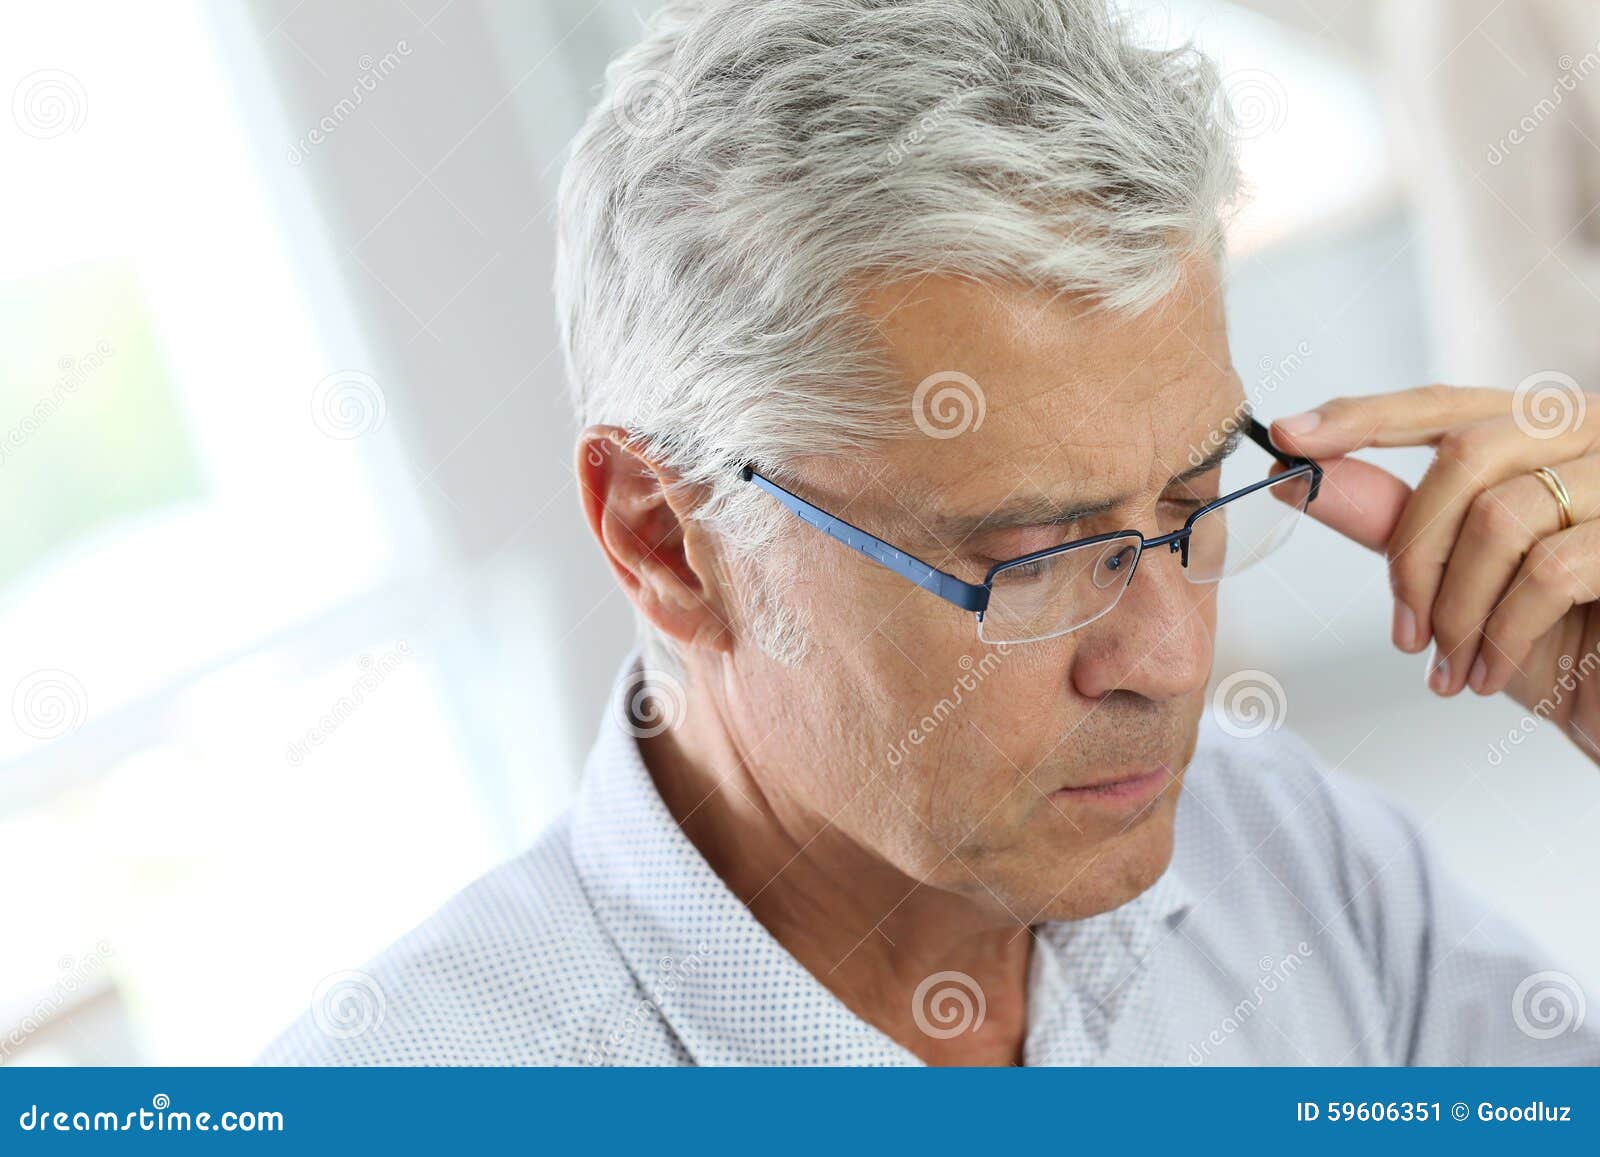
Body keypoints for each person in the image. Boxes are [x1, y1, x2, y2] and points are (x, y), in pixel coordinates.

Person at [263, 0, 1599, 1066]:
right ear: (666, 541)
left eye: (1192, 502)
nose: (1170, 656)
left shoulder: (1287, 857)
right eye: (1031, 552)